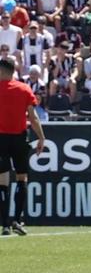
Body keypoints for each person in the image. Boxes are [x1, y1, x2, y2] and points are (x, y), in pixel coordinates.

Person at [0, 58, 45, 236]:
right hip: (19, 138)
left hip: (1, 139)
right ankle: (17, 221)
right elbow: (33, 117)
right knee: (21, 178)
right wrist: (41, 137)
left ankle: (4, 224)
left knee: (2, 180)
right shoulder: (24, 89)